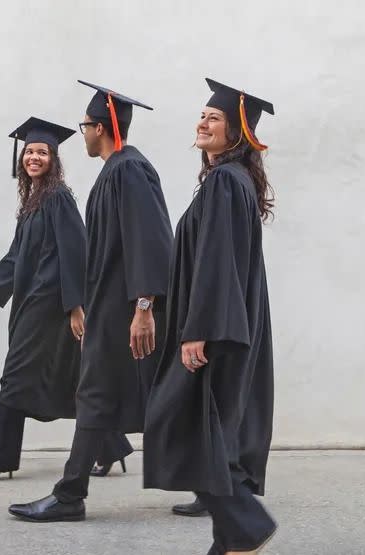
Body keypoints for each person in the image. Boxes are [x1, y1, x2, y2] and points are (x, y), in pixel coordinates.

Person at [8, 82, 173, 521]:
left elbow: (151, 239)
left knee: (134, 394)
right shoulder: (114, 169)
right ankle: (70, 493)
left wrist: (144, 307)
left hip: (123, 312)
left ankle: (70, 494)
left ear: (100, 127)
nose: (81, 133)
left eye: (84, 126)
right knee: (97, 396)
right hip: (108, 310)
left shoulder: (130, 170)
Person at [143, 78, 277, 555]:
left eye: (214, 117)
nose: (203, 122)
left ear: (236, 131)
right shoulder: (234, 179)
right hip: (229, 326)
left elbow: (217, 260)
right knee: (214, 435)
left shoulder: (224, 182)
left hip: (214, 331)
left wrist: (196, 330)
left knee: (186, 428)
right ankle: (230, 543)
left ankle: (245, 524)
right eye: (202, 115)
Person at [0, 117, 131, 482]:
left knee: (15, 377)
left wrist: (76, 307)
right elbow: (15, 258)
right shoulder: (33, 201)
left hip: (51, 307)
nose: (34, 157)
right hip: (32, 306)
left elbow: (76, 252)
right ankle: (109, 446)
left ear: (54, 159)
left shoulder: (58, 198)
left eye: (42, 152)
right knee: (71, 380)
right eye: (30, 152)